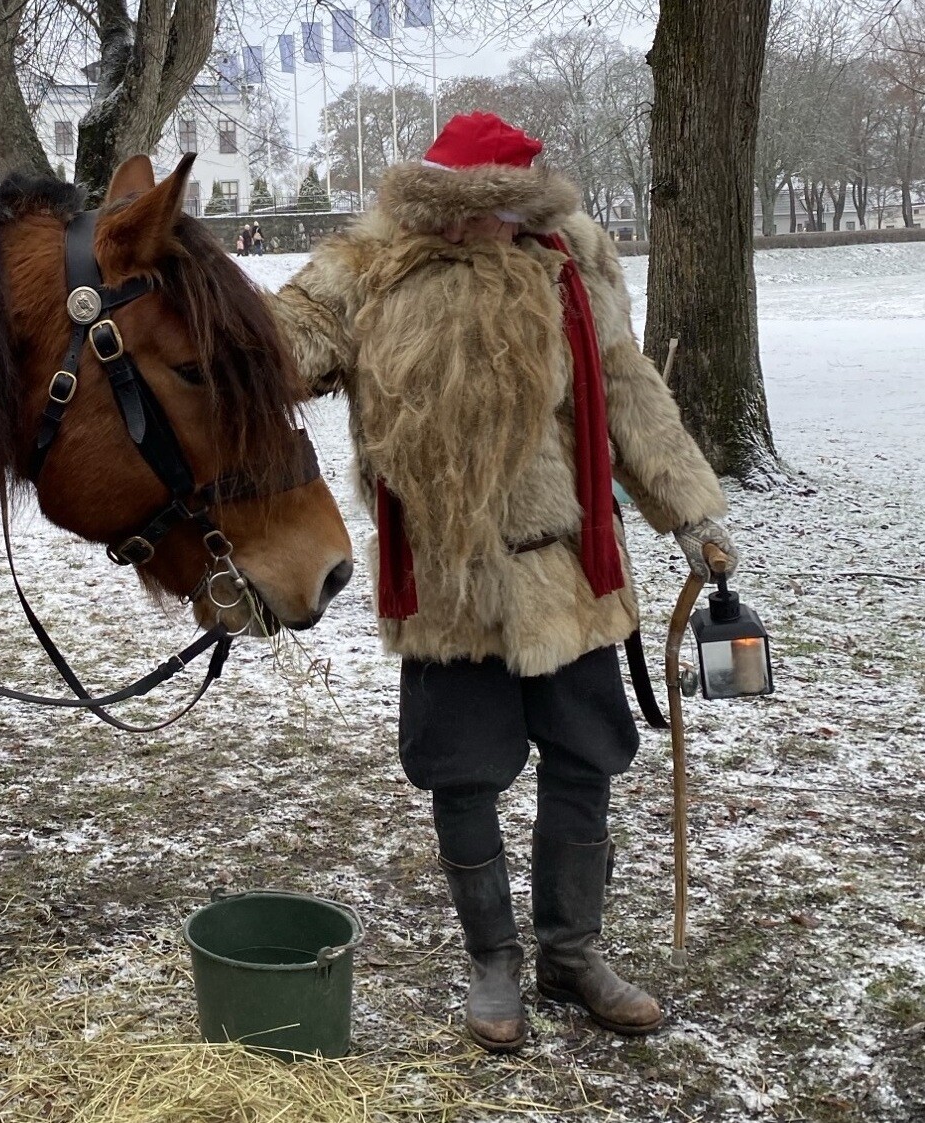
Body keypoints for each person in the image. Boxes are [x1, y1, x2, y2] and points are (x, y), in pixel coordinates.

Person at [273, 112, 737, 1053]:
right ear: (434, 209)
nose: (490, 231)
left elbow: (628, 385)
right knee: (463, 770)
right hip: (447, 583)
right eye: (470, 215)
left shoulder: (573, 260)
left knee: (586, 756)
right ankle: (494, 960)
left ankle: (573, 950)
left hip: (570, 570)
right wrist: (193, 308)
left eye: (508, 214)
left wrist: (691, 510)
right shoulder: (366, 269)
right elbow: (279, 347)